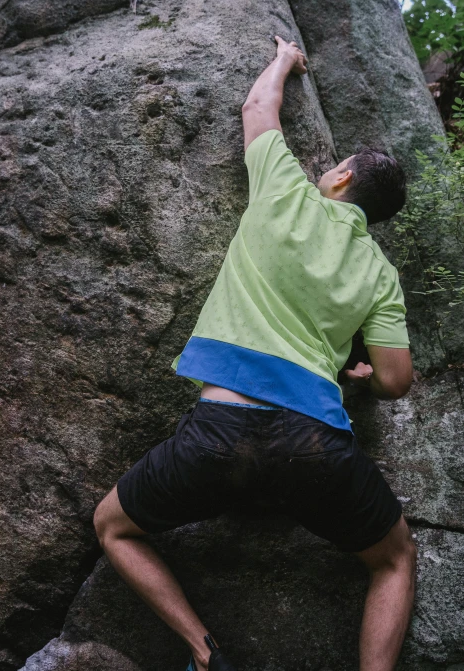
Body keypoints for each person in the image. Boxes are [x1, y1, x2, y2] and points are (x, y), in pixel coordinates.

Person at [94, 36, 417, 671]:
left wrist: (286, 60)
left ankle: (203, 650)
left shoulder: (285, 193)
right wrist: (363, 376)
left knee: (112, 526)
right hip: (314, 445)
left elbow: (256, 108)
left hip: (219, 429)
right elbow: (396, 379)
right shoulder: (380, 273)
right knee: (395, 558)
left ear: (342, 176)